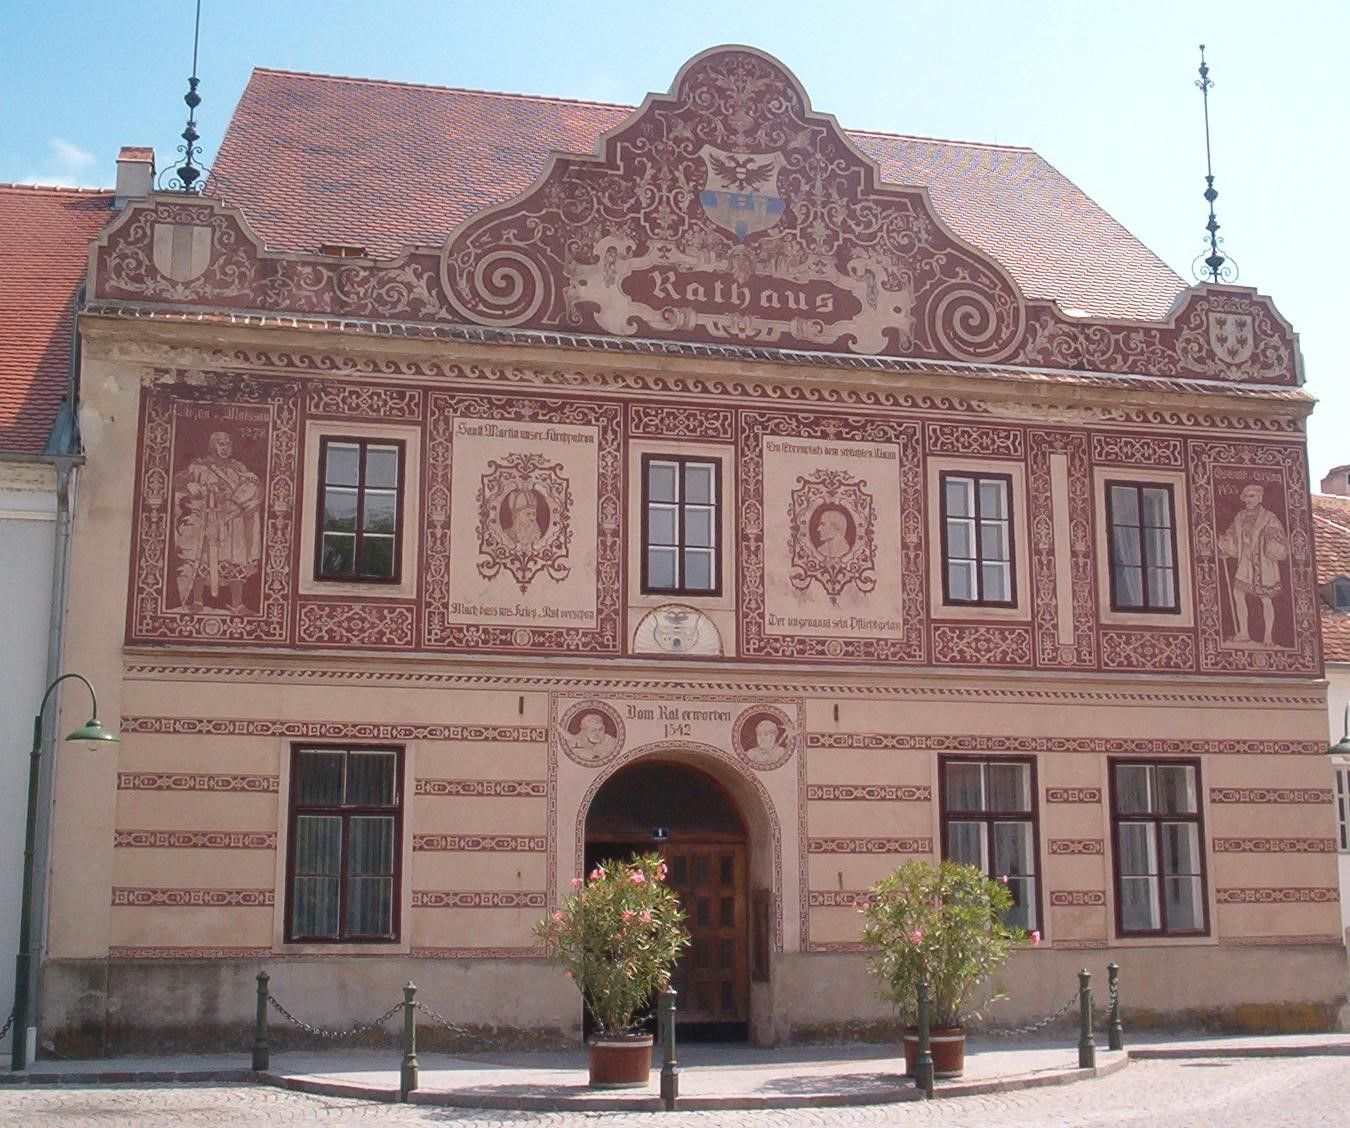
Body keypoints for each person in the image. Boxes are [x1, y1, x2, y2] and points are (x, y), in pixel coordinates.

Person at [174, 431, 262, 613]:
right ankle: (197, 601)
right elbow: (179, 483)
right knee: (203, 558)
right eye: (221, 444)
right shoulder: (200, 466)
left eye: (228, 444)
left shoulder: (239, 469)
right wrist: (192, 487)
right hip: (208, 521)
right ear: (213, 446)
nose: (225, 448)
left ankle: (237, 604)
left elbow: (255, 489)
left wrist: (239, 502)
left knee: (236, 558)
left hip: (233, 521)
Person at [1217, 483, 1288, 646]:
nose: (1249, 499)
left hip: (1264, 563)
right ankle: (1243, 632)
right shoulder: (1240, 516)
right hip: (1245, 561)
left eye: (1252, 496)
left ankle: (1268, 636)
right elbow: (1232, 535)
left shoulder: (1269, 517)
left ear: (1260, 498)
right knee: (1238, 593)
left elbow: (1279, 537)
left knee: (1265, 598)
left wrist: (1271, 537)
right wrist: (1225, 547)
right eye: (1246, 496)